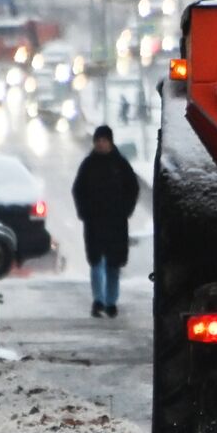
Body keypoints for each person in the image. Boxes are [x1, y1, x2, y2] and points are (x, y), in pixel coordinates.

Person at [71, 125, 139, 318]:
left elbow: (132, 189)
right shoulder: (88, 165)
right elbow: (78, 190)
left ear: (110, 141)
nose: (100, 144)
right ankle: (98, 300)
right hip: (94, 222)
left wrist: (126, 209)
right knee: (96, 262)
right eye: (97, 141)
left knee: (113, 264)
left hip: (116, 222)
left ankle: (111, 301)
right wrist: (84, 211)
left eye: (103, 140)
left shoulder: (120, 164)